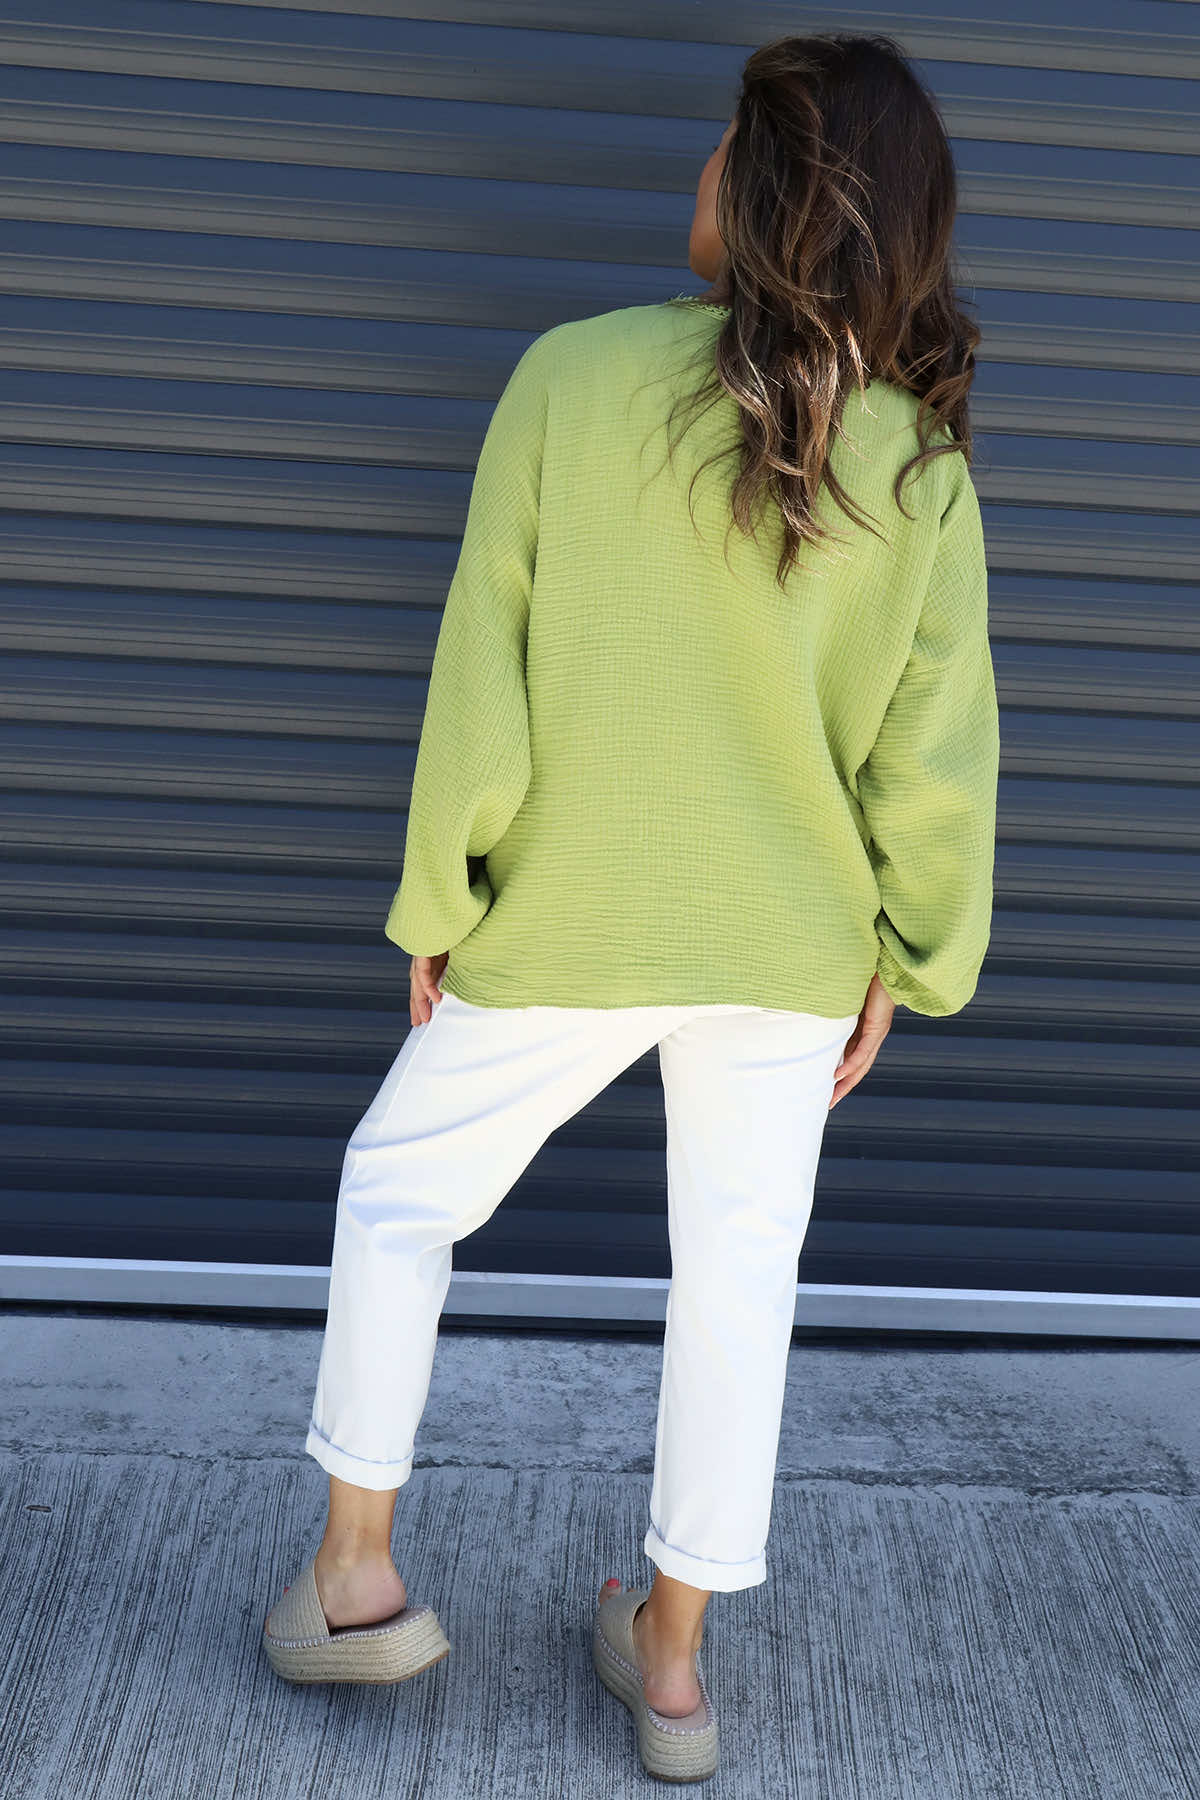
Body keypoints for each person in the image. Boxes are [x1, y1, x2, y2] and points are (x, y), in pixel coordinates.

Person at [261, 29, 1000, 1786]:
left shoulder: (570, 381)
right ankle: (671, 1670)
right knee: (738, 1278)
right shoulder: (917, 464)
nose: (698, 173)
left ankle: (354, 1579)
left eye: (723, 147)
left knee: (398, 1193)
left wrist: (440, 895)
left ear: (770, 191)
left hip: (571, 916)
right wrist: (910, 962)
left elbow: (484, 676)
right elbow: (934, 765)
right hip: (786, 948)